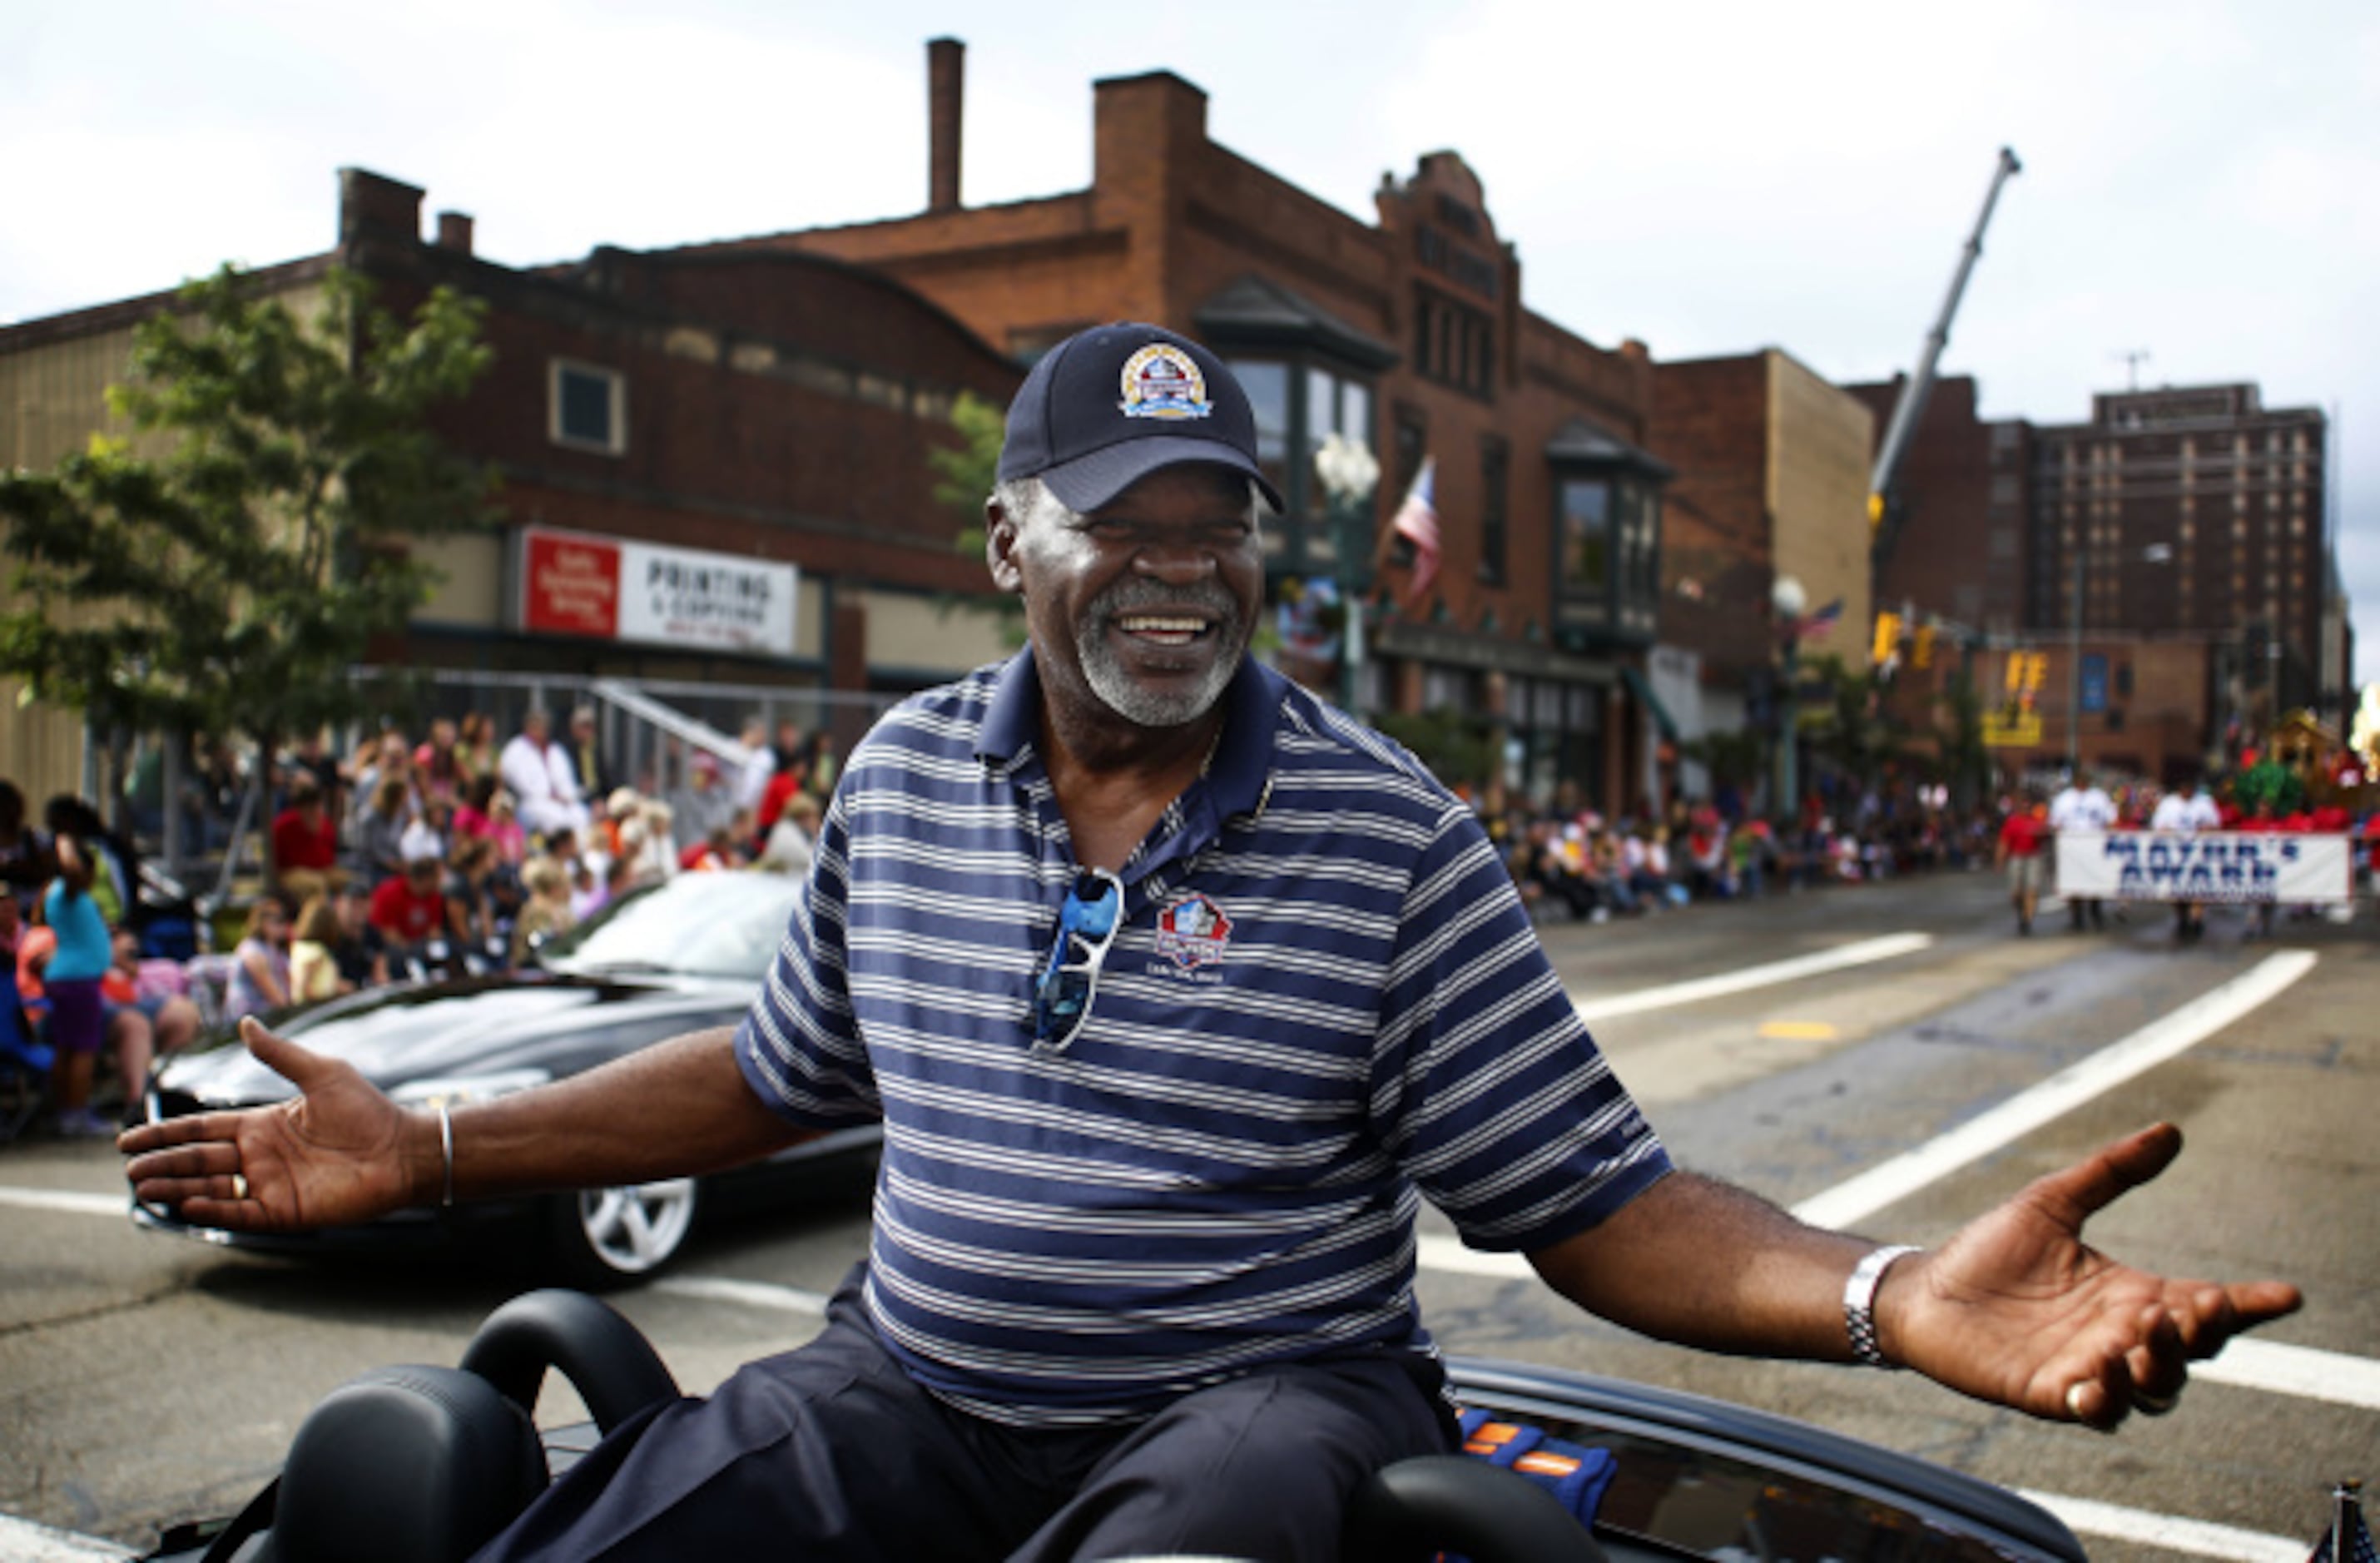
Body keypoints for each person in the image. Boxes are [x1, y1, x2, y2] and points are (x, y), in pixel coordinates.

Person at [123, 325, 2299, 1563]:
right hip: (917, 1384)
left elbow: (1595, 1199)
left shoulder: (1388, 834)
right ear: (1009, 543)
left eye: (1217, 531)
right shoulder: (893, 780)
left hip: (1264, 1400)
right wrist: (438, 1146)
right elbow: (779, 1075)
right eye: (1119, 529)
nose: (1175, 576)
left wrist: (1883, 1289)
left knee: (1224, 1509)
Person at [42, 832, 123, 1136]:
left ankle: (66, 1110)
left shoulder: (60, 893)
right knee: (82, 1050)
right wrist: (65, 840)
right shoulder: (67, 889)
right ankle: (74, 1114)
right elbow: (73, 870)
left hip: (68, 978)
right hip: (77, 980)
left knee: (67, 1048)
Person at [498, 708, 592, 843]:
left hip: (561, 801)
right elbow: (524, 785)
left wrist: (566, 796)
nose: (543, 731)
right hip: (531, 803)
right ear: (529, 727)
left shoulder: (555, 749)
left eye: (544, 727)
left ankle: (576, 857)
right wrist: (549, 796)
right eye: (538, 727)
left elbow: (565, 780)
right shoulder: (516, 749)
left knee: (581, 814)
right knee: (557, 819)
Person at [2149, 776, 2222, 942]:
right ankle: (2182, 919)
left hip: (2198, 853)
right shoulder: (2169, 804)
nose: (2187, 791)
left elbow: (2215, 824)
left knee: (2198, 889)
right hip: (2175, 855)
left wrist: (2207, 829)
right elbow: (2158, 826)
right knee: (2177, 891)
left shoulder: (2204, 803)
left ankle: (2197, 919)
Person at [2047, 770, 2117, 931]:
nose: (2082, 783)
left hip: (2094, 844)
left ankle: (2095, 909)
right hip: (2071, 846)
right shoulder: (2064, 799)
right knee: (2072, 883)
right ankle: (2076, 916)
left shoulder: (2099, 797)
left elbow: (2109, 820)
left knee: (2095, 880)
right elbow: (2055, 823)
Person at [269, 772, 350, 906]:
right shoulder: (283, 825)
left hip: (323, 870)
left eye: (316, 805)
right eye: (309, 807)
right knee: (315, 884)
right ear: (301, 808)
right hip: (291, 872)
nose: (314, 811)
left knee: (352, 882)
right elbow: (276, 860)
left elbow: (330, 854)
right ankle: (319, 921)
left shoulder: (325, 824)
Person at [221, 896, 292, 1024]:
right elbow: (275, 996)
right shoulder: (253, 951)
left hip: (269, 1016)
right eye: (278, 920)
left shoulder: (277, 950)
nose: (284, 925)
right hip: (248, 1019)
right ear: (263, 922)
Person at [1996, 788, 2050, 935]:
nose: (2025, 807)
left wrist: (2042, 833)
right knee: (2016, 892)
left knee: (2032, 889)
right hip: (2016, 857)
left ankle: (2027, 920)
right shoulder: (2012, 822)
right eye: (2023, 804)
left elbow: (2047, 834)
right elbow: (2004, 842)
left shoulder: (2037, 820)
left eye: (2028, 804)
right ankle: (2021, 911)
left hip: (2034, 857)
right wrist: (2000, 860)